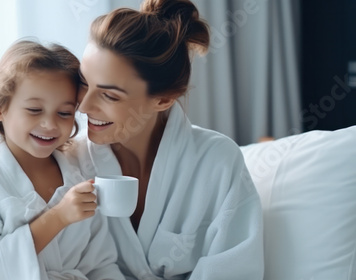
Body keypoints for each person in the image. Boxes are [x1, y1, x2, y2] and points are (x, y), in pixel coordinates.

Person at [69, 0, 265, 279]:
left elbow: (235, 269)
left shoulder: (217, 161)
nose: (84, 106)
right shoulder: (70, 162)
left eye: (109, 95)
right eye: (83, 82)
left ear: (163, 99)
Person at [0, 40, 124, 280]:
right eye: (34, 110)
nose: (50, 125)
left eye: (64, 113)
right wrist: (58, 217)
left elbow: (101, 263)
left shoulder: (80, 174)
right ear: (0, 108)